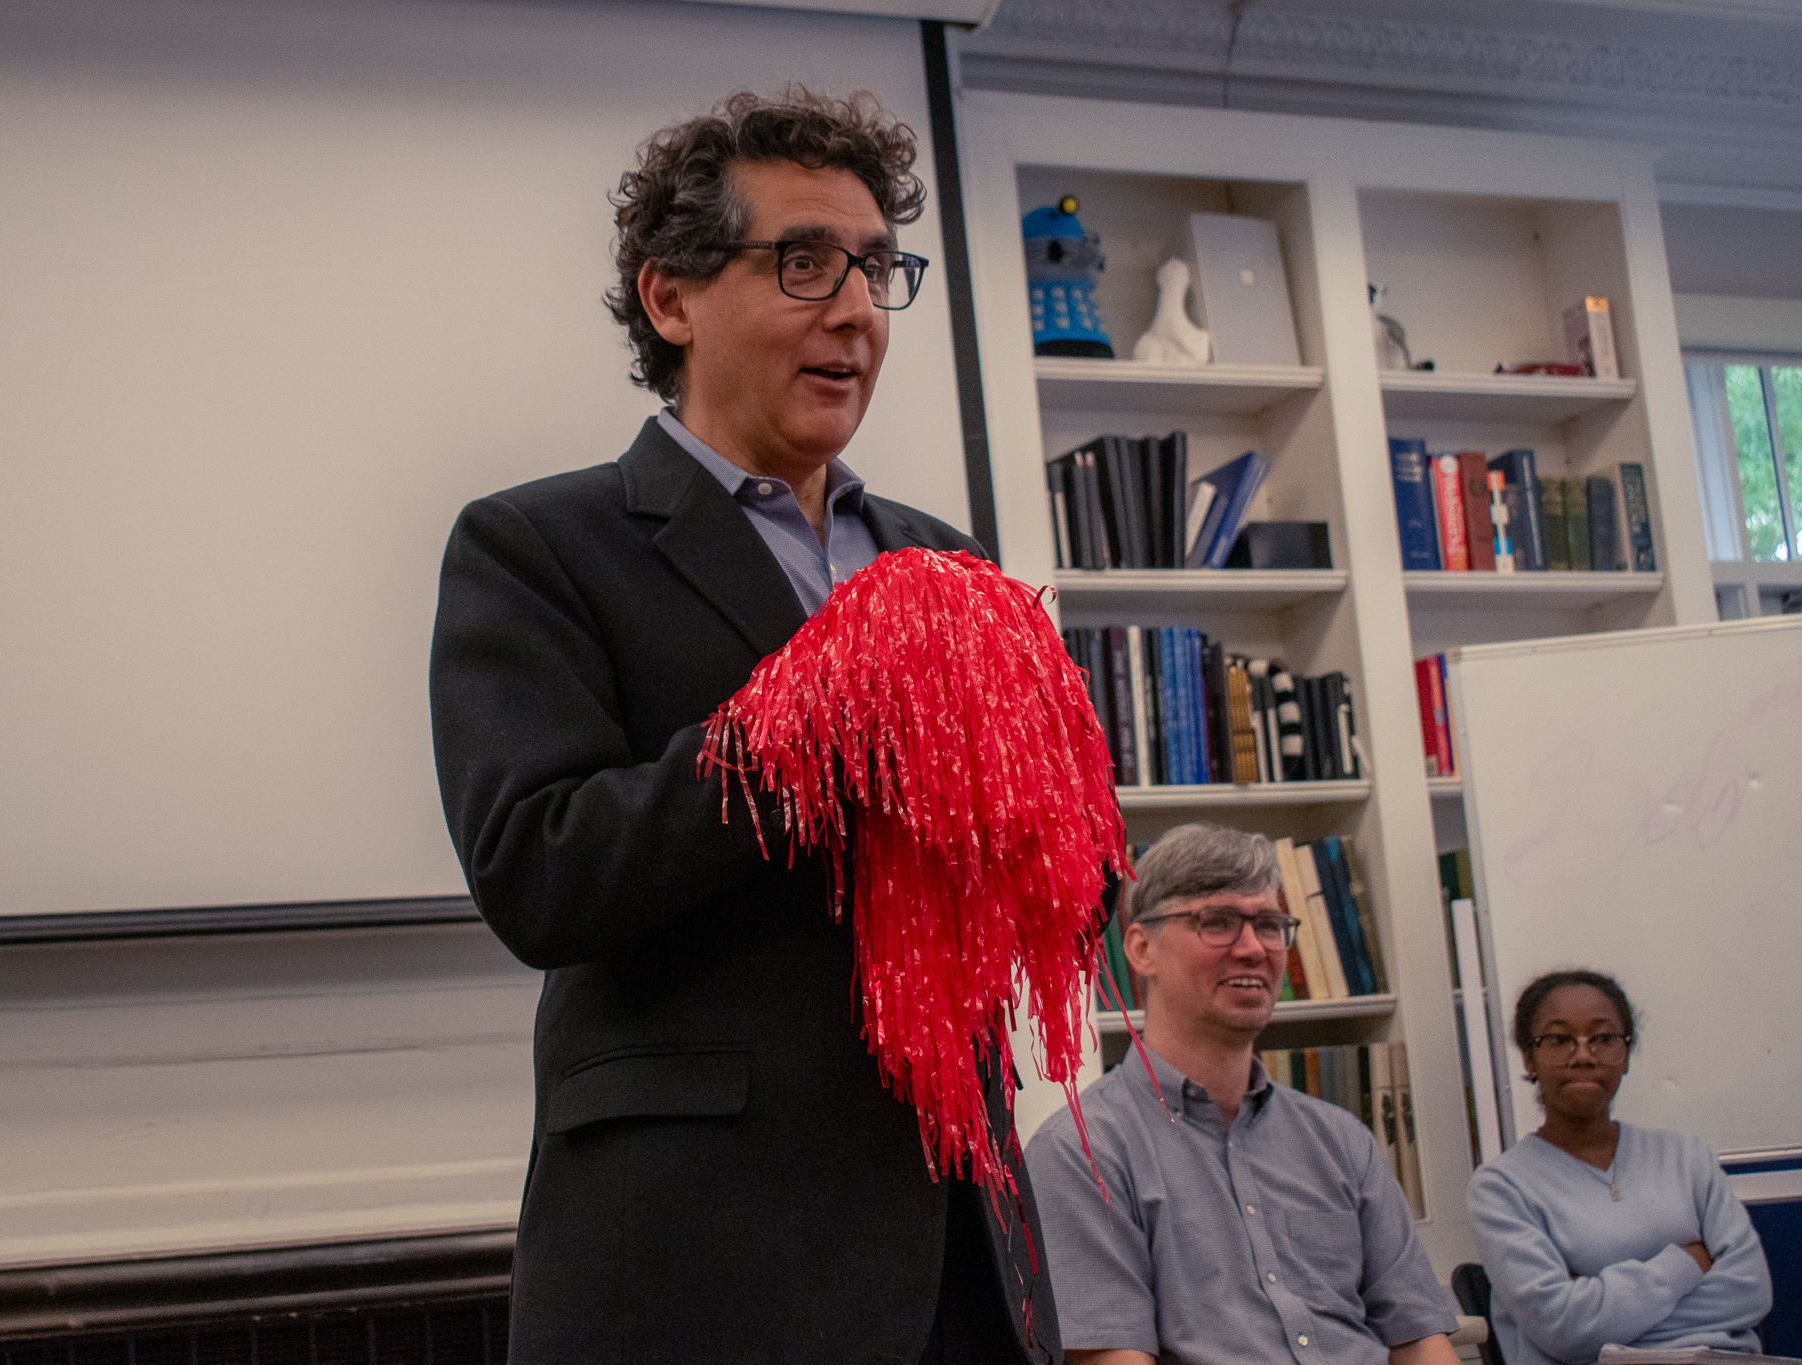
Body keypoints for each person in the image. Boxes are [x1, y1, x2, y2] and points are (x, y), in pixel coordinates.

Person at [429, 89, 1062, 1365]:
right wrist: (801, 723)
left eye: (878, 270)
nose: (855, 310)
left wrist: (1052, 831)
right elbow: (539, 874)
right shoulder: (537, 544)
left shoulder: (942, 559)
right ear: (671, 300)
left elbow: (1033, 882)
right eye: (804, 263)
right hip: (697, 1264)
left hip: (958, 1251)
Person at [1023, 823, 1460, 1365]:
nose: (1254, 948)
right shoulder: (1081, 1152)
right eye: (1219, 922)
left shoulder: (1341, 1140)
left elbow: (1420, 1339)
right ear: (1139, 947)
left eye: (1271, 924)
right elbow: (1109, 1358)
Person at [1467, 970, 1772, 1365]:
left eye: (1603, 1039)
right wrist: (1687, 1264)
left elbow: (1751, 1290)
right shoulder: (1501, 1187)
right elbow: (1566, 1329)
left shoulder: (1686, 1157)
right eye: (1559, 1040)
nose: (1583, 1056)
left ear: (1625, 1055)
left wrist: (1602, 1310)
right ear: (1529, 1057)